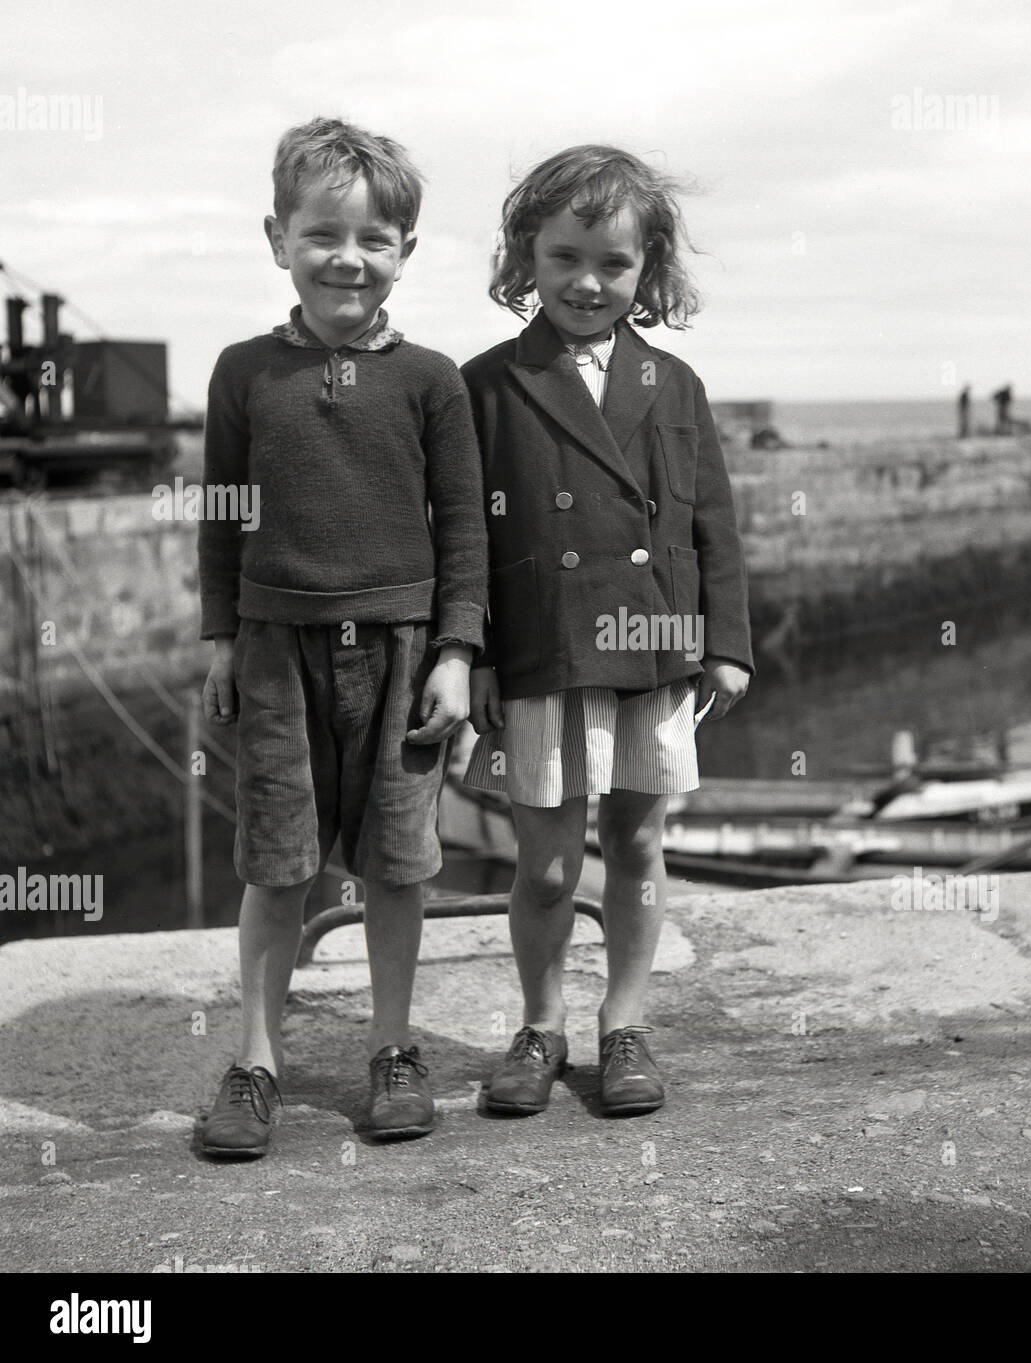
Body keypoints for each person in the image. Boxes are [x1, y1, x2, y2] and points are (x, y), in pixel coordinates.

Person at [196, 118, 487, 1157]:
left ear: (404, 252)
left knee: (399, 868)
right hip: (276, 653)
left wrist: (457, 653)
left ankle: (395, 1049)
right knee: (277, 866)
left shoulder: (433, 381)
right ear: (278, 238)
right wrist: (219, 636)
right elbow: (223, 516)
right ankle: (256, 1060)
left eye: (373, 240)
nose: (347, 258)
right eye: (323, 234)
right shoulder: (242, 373)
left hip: (406, 652)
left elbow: (463, 527)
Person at [462, 145, 753, 1116]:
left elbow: (711, 517)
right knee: (544, 863)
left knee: (635, 843)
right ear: (526, 259)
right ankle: (540, 1023)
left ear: (648, 270)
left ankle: (622, 1022)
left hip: (655, 643)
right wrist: (478, 658)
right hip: (543, 649)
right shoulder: (484, 384)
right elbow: (461, 536)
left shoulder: (675, 384)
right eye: (564, 257)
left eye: (613, 264)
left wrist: (728, 641)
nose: (587, 282)